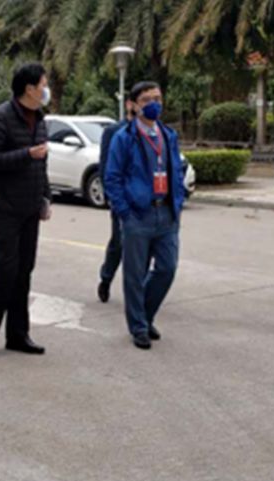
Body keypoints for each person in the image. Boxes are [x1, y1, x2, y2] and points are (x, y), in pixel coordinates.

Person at [0, 63, 52, 359]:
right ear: (29, 89)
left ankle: (18, 334)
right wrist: (26, 154)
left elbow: (41, 164)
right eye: (43, 84)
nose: (46, 89)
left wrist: (45, 197)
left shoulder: (40, 119)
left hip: (30, 206)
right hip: (4, 206)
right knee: (7, 270)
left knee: (24, 271)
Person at [103, 81, 185, 350]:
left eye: (157, 99)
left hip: (166, 213)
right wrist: (124, 212)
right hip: (138, 215)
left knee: (167, 268)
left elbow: (176, 170)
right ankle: (138, 326)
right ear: (133, 105)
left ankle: (145, 315)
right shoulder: (124, 138)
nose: (154, 104)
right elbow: (112, 178)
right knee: (134, 274)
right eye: (147, 100)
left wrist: (178, 201)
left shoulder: (168, 135)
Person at [97, 95, 136, 303]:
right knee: (119, 243)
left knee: (143, 248)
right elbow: (105, 167)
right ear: (129, 104)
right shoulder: (113, 132)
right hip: (121, 198)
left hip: (145, 201)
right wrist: (111, 197)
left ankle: (138, 294)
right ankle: (106, 278)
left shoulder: (154, 132)